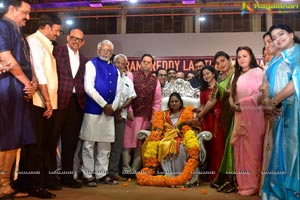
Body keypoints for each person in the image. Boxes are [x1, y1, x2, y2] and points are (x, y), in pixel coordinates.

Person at [16, 13, 62, 198]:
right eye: (57, 30)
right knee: (34, 146)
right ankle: (31, 184)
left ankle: (31, 182)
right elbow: (39, 72)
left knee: (40, 145)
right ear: (48, 27)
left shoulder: (45, 44)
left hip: (45, 102)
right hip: (38, 102)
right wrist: (48, 101)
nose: (58, 34)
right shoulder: (34, 41)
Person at [0, 1, 37, 198]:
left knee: (15, 140)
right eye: (25, 12)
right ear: (12, 9)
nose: (28, 17)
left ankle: (5, 185)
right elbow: (6, 58)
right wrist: (27, 83)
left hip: (18, 90)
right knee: (5, 138)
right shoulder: (3, 27)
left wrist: (32, 83)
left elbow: (26, 62)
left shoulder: (18, 32)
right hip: (6, 89)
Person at [262, 24, 300, 200]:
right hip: (279, 113)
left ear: (292, 35)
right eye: (274, 37)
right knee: (281, 154)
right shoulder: (278, 58)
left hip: (295, 112)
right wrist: (268, 102)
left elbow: (296, 82)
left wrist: (275, 101)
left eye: (281, 34)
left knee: (293, 153)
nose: (277, 38)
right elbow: (266, 84)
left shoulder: (297, 53)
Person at [79, 39, 122, 186]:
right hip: (93, 110)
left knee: (105, 145)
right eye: (103, 50)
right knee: (89, 144)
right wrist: (104, 104)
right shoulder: (91, 64)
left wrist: (113, 106)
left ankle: (101, 174)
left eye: (108, 51)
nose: (105, 52)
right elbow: (88, 88)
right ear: (98, 51)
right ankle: (87, 174)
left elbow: (119, 91)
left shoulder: (115, 69)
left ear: (111, 53)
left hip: (109, 111)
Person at [136, 92, 200, 187]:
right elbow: (157, 128)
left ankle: (181, 175)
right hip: (166, 137)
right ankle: (170, 175)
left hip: (181, 137)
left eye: (176, 101)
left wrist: (192, 121)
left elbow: (196, 126)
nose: (174, 103)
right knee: (163, 145)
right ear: (169, 103)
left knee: (181, 147)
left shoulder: (187, 112)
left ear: (180, 102)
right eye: (172, 102)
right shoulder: (163, 114)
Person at [52, 28, 88, 188]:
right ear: (67, 38)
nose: (76, 41)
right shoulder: (56, 51)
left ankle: (67, 177)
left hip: (76, 103)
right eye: (73, 38)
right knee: (51, 140)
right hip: (58, 101)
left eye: (79, 39)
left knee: (70, 143)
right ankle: (50, 177)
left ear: (83, 42)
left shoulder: (85, 59)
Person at [229, 46, 265, 196]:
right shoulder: (235, 75)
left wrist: (244, 102)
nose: (242, 59)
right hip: (239, 115)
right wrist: (232, 104)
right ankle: (244, 185)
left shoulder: (258, 72)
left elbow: (260, 94)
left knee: (254, 149)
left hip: (254, 115)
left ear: (251, 57)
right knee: (241, 150)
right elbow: (231, 95)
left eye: (245, 56)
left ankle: (256, 184)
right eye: (239, 57)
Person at [122, 54, 161, 176]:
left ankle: (134, 170)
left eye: (148, 62)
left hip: (146, 117)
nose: (146, 64)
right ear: (140, 63)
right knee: (127, 143)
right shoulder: (131, 75)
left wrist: (155, 118)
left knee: (140, 144)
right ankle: (126, 169)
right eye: (144, 61)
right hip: (132, 115)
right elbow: (126, 94)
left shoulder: (155, 80)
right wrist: (128, 109)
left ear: (152, 65)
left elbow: (157, 101)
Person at [210, 51, 236, 193]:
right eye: (218, 63)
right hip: (225, 117)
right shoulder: (219, 80)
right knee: (229, 144)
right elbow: (212, 100)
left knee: (231, 145)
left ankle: (233, 179)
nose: (220, 64)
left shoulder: (237, 74)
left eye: (222, 61)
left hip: (237, 114)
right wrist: (199, 114)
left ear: (229, 60)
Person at [108, 54, 136, 181]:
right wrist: (114, 110)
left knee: (117, 145)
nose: (120, 65)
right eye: (117, 63)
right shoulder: (107, 78)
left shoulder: (127, 80)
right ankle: (100, 173)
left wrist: (119, 110)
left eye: (122, 63)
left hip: (121, 115)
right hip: (106, 114)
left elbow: (131, 97)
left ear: (126, 65)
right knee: (104, 144)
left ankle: (113, 172)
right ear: (113, 63)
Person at [196, 66, 225, 182]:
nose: (206, 76)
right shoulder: (203, 91)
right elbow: (203, 106)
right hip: (207, 119)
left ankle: (218, 176)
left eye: (208, 73)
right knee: (208, 146)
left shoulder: (221, 87)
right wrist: (199, 114)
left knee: (218, 146)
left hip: (218, 119)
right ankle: (209, 174)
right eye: (204, 75)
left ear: (213, 74)